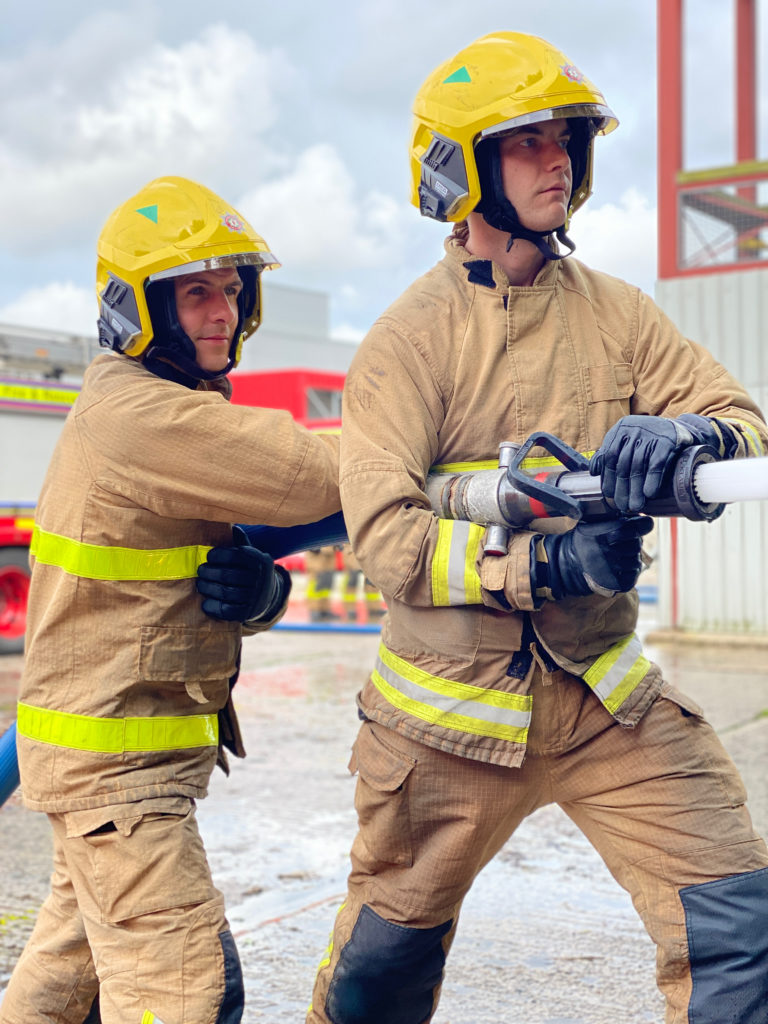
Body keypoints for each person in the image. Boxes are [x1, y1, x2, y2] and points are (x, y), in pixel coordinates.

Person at [307, 32, 768, 1024]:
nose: (559, 157)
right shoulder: (405, 342)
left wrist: (688, 429)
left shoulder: (619, 314)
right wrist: (542, 561)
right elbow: (386, 536)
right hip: (443, 728)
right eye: (527, 141)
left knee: (740, 927)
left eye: (566, 138)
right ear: (460, 169)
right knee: (374, 983)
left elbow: (742, 422)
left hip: (609, 703)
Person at [0, 175, 340, 1024]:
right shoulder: (144, 414)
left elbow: (195, 566)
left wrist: (259, 594)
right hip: (119, 779)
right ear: (139, 307)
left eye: (231, 290)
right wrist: (453, 439)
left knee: (63, 981)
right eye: (196, 293)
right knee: (186, 987)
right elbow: (315, 471)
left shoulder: (163, 410)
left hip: (104, 769)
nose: (222, 310)